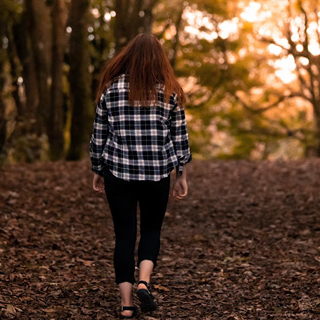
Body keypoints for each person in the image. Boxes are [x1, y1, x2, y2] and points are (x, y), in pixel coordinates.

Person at [88, 33, 191, 319]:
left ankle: (126, 304)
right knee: (151, 230)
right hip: (157, 174)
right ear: (160, 59)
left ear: (129, 56)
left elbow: (99, 135)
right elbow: (180, 139)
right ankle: (144, 281)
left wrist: (97, 169)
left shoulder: (111, 89)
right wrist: (181, 175)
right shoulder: (170, 92)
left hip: (117, 173)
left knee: (124, 235)